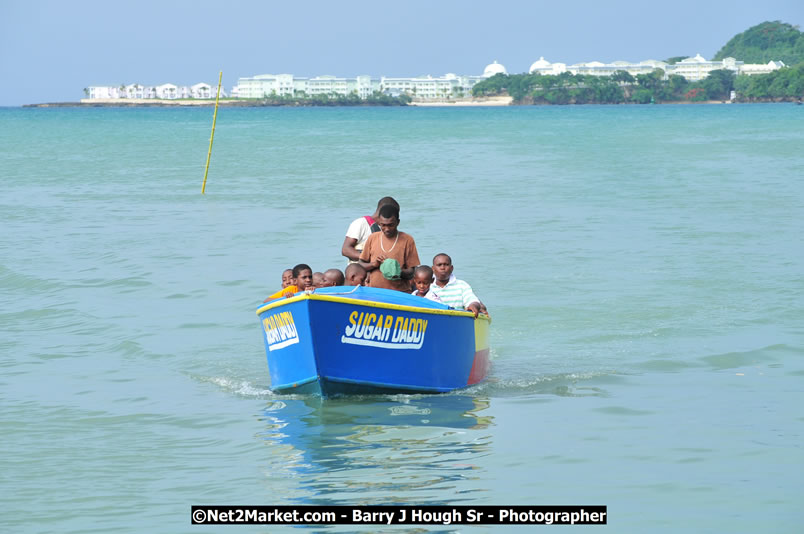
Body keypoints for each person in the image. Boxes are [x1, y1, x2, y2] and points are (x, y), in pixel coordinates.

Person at [359, 204, 420, 292]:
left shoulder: (407, 240)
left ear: (398, 222)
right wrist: (374, 264)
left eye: (391, 225)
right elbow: (361, 264)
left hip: (399, 292)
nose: (387, 229)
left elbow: (411, 272)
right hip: (374, 291)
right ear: (379, 223)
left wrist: (396, 271)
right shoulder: (372, 238)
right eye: (383, 225)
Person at [342, 196, 400, 264]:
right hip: (359, 269)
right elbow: (345, 250)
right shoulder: (361, 223)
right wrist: (369, 258)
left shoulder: (387, 230)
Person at [431, 253, 489, 317]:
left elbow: (471, 299)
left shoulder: (461, 285)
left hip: (457, 321)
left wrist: (474, 305)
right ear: (433, 269)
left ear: (451, 268)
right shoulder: (427, 287)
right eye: (439, 265)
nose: (442, 267)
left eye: (446, 265)